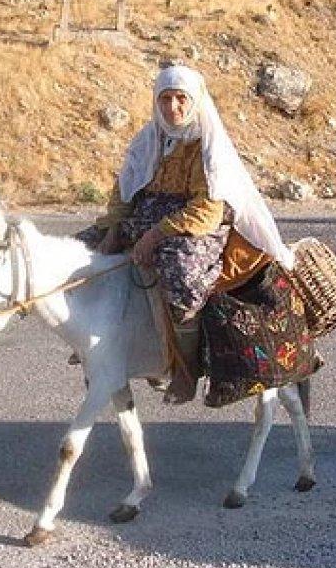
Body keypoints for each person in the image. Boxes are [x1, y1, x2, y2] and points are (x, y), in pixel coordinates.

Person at [78, 64, 295, 402]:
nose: (172, 107)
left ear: (195, 101)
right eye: (165, 98)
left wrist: (154, 236)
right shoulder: (148, 140)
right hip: (145, 218)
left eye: (181, 98)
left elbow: (207, 208)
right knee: (82, 251)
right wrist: (112, 229)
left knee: (181, 274)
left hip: (196, 226)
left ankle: (184, 368)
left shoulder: (207, 146)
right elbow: (124, 190)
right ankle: (98, 340)